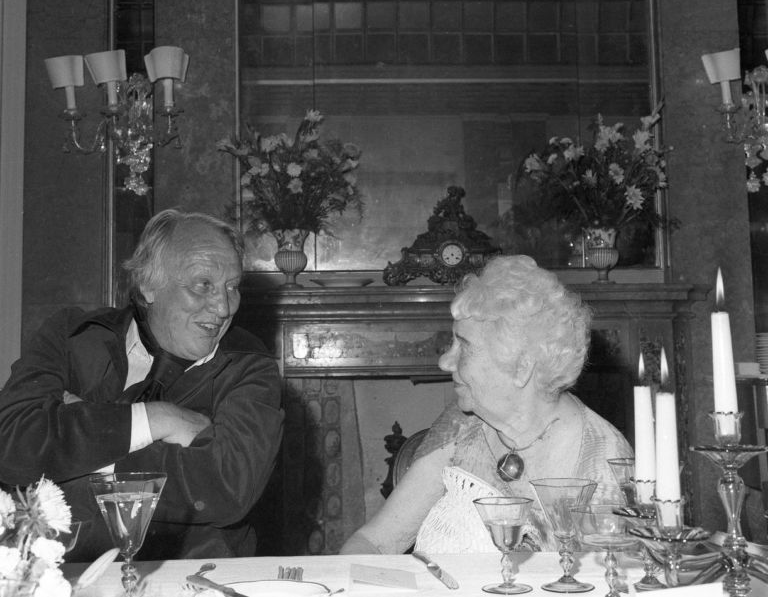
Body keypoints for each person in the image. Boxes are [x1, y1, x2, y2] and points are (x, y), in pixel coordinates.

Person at [0, 209, 284, 562]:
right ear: (149, 285)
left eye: (232, 286)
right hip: (61, 570)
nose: (224, 306)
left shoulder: (249, 367)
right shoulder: (72, 337)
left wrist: (77, 447)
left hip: (190, 579)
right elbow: (11, 445)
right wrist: (157, 419)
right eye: (203, 285)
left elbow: (228, 488)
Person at [340, 254, 631, 555]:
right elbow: (375, 541)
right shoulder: (462, 422)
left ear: (521, 367)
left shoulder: (604, 461)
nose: (444, 362)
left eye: (464, 346)